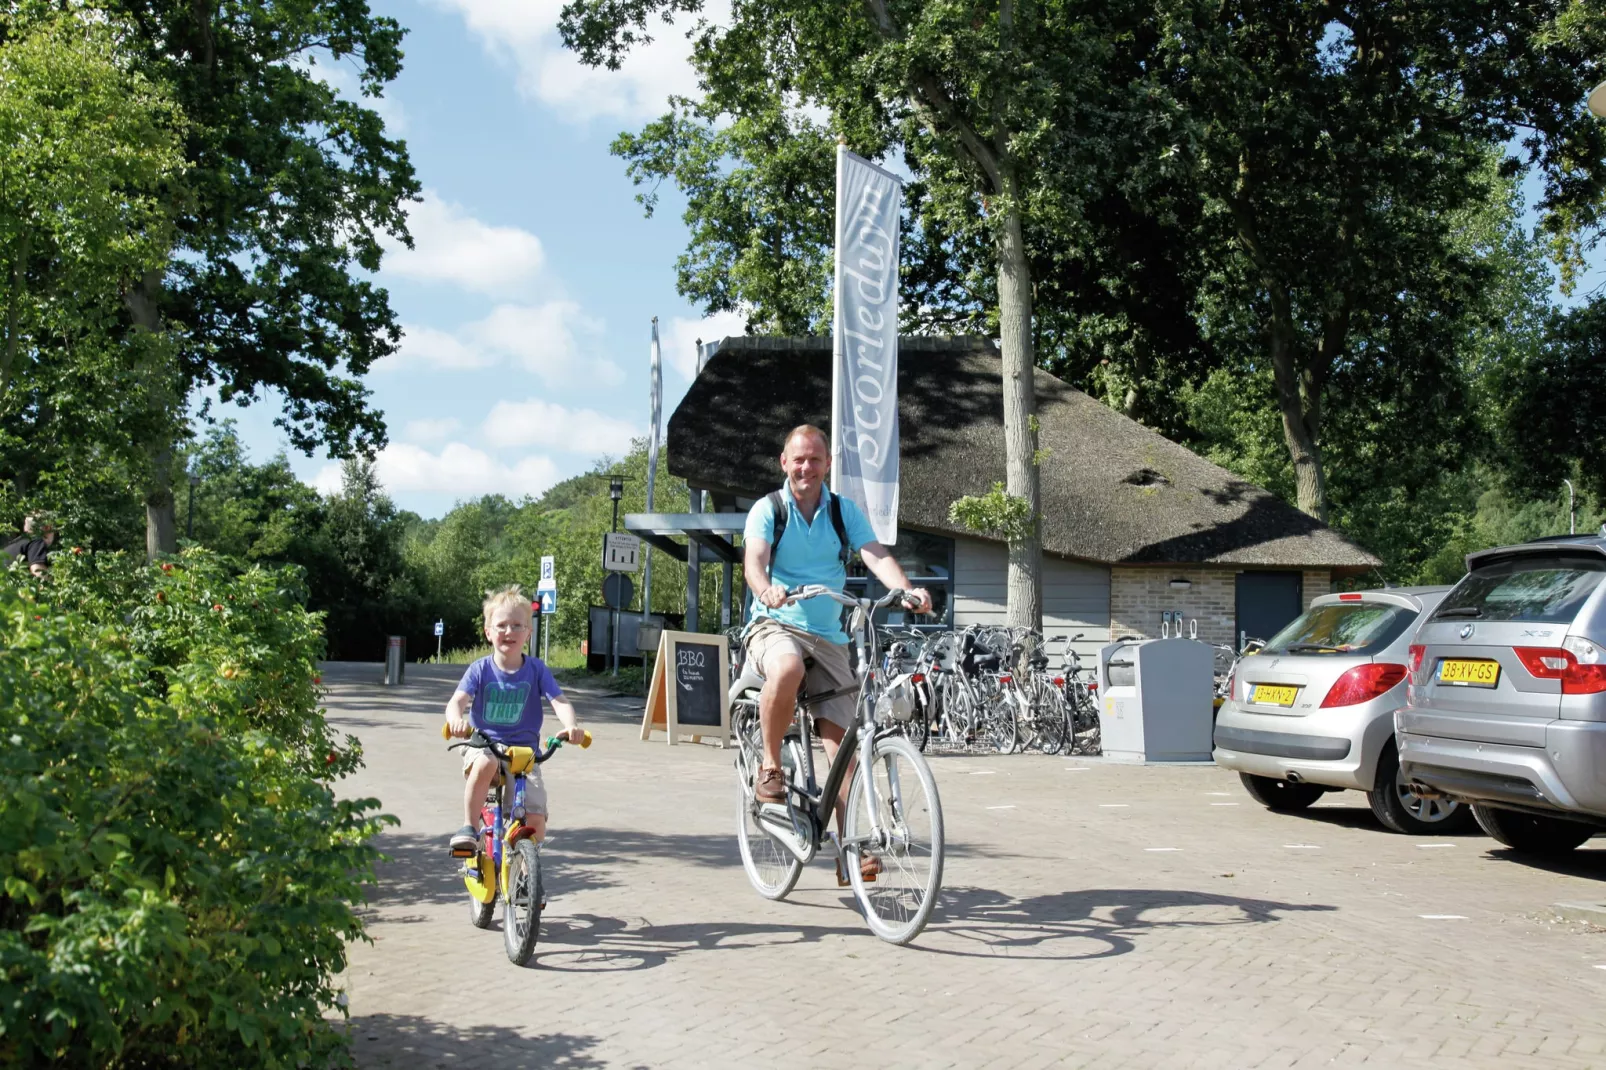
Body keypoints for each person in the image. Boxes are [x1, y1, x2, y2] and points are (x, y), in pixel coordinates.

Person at [742, 424, 932, 884]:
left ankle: (851, 849)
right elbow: (754, 560)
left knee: (843, 750)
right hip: (775, 623)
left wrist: (906, 590)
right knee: (785, 667)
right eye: (798, 459)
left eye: (815, 459)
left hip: (829, 635)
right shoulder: (769, 509)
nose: (806, 467)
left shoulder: (843, 512)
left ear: (827, 465)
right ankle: (770, 767)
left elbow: (874, 554)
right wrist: (766, 590)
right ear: (784, 463)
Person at [444, 585, 585, 854]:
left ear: (528, 633)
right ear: (488, 632)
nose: (509, 632)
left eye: (517, 626)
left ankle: (524, 873)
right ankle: (469, 828)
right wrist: (456, 721)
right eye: (502, 626)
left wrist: (571, 726)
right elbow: (457, 701)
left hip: (524, 753)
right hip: (484, 744)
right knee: (485, 762)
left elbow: (559, 700)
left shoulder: (536, 669)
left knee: (536, 819)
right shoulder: (480, 669)